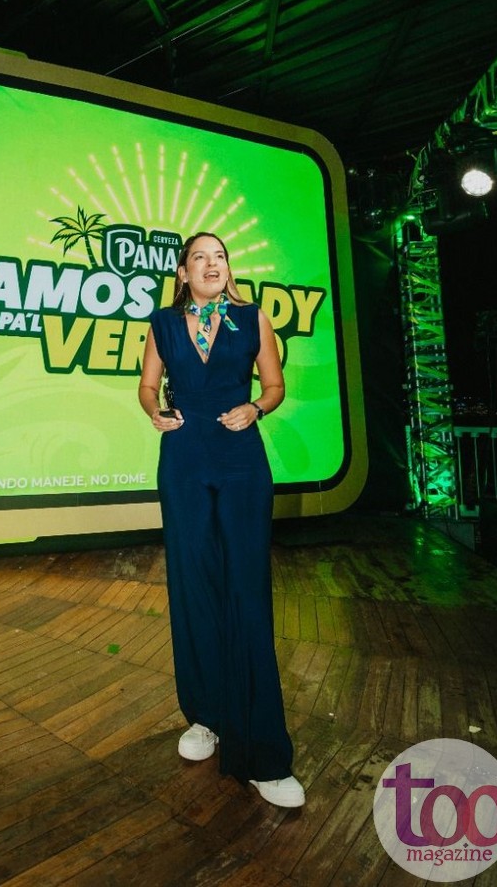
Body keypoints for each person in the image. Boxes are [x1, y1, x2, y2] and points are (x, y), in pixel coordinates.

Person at [137, 232, 304, 808]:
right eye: (200, 258)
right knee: (193, 587)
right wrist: (155, 411)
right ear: (183, 273)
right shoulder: (162, 324)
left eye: (221, 257)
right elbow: (147, 386)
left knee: (246, 593)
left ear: (229, 269)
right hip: (184, 461)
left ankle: (264, 755)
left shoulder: (254, 318)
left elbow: (275, 385)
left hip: (240, 463)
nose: (213, 264)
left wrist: (255, 407)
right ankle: (206, 715)